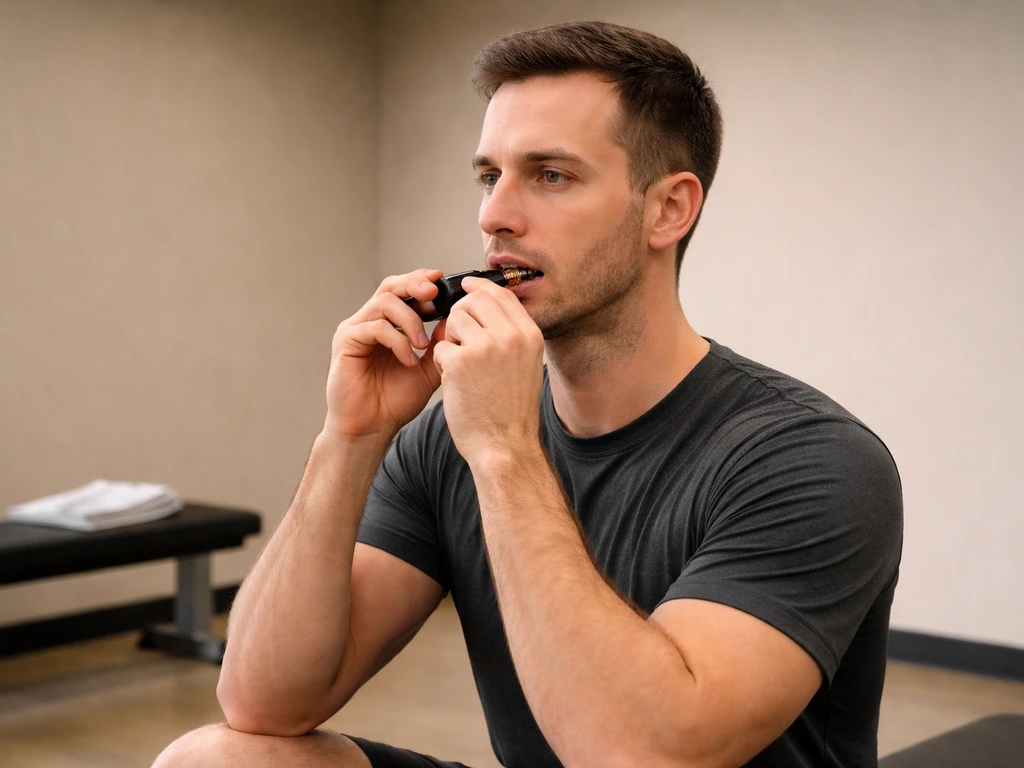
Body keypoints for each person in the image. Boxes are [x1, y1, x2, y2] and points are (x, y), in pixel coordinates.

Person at [154, 20, 902, 768]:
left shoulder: (815, 460)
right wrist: (348, 438)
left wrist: (508, 454)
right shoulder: (447, 439)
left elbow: (647, 756)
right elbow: (262, 699)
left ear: (669, 209)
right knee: (216, 758)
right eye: (489, 176)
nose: (493, 215)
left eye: (551, 175)